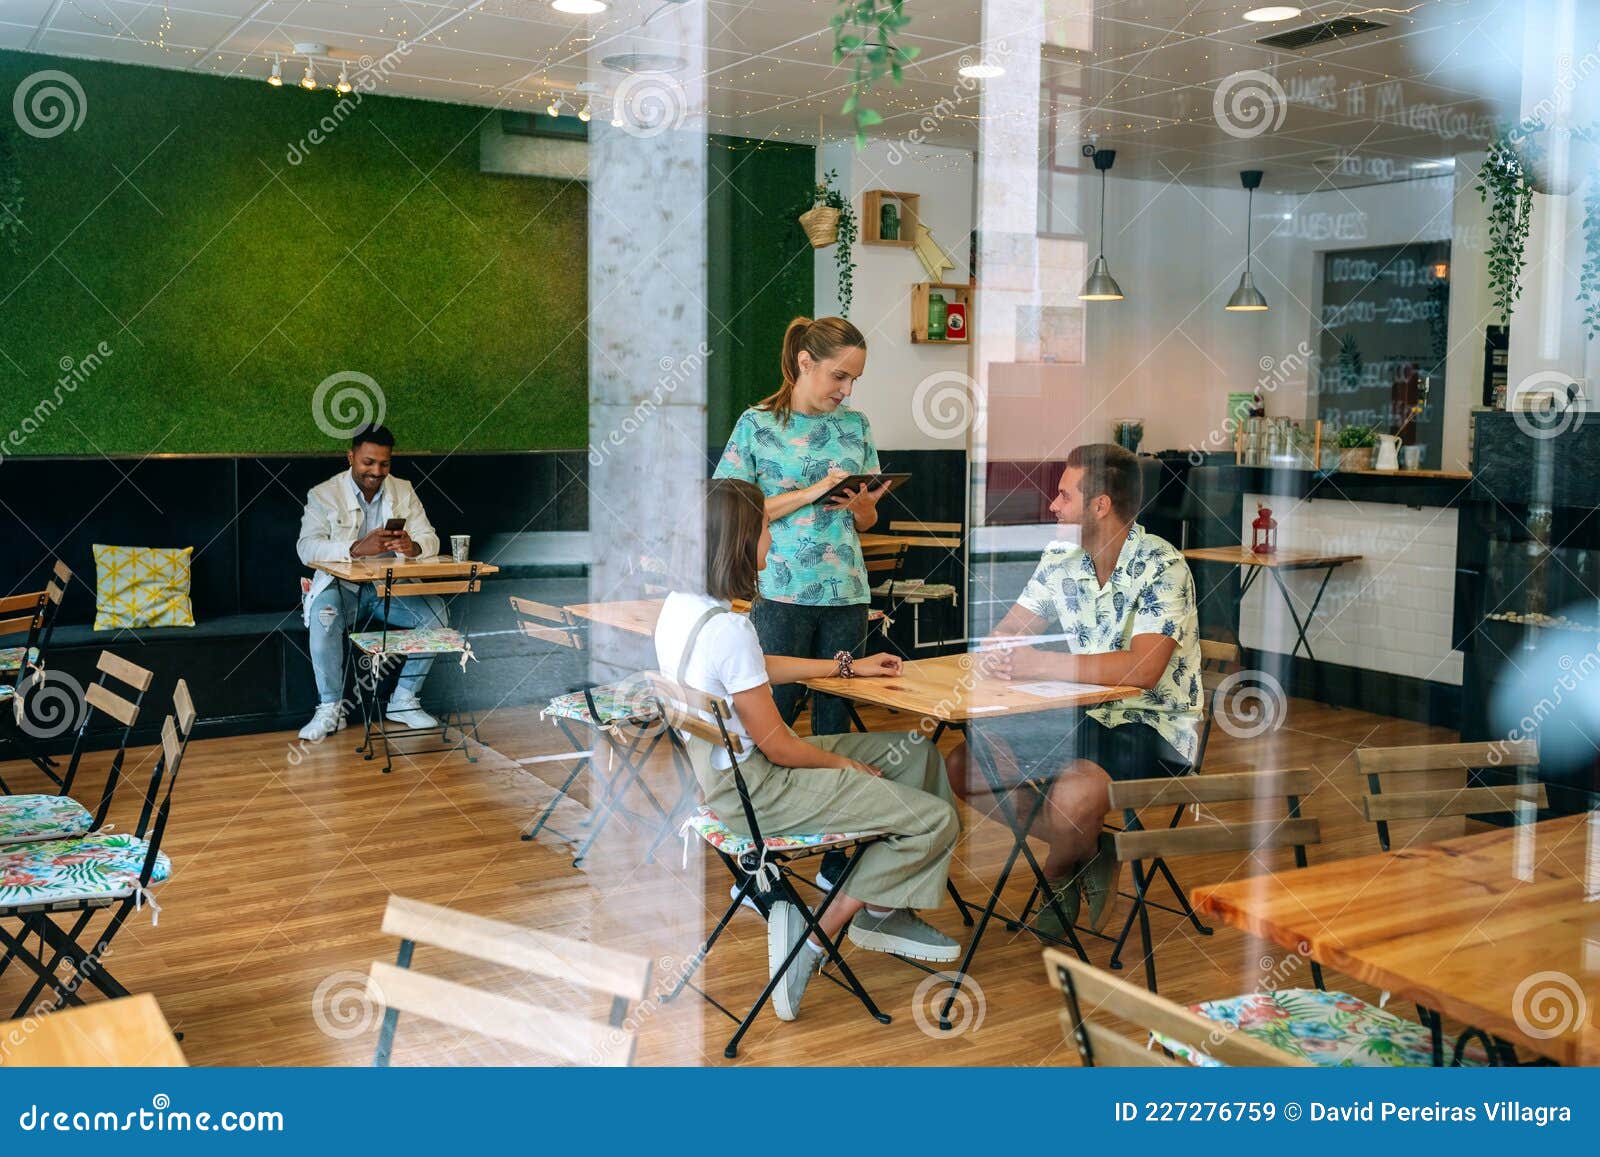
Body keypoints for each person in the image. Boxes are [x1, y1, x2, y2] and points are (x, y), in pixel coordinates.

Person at [655, 478, 961, 1021]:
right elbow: (780, 746)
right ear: (740, 539)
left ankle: (885, 905)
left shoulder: (684, 609)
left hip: (732, 778)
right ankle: (820, 936)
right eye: (767, 528)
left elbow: (755, 668)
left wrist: (848, 665)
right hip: (762, 790)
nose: (771, 539)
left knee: (919, 755)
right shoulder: (728, 627)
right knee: (936, 821)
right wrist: (847, 766)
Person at [948, 443, 1202, 939]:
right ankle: (1090, 849)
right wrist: (1001, 649)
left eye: (1064, 495)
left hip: (1154, 725)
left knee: (1074, 796)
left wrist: (1039, 661)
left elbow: (1144, 670)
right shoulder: (1061, 556)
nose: (1053, 506)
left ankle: (1057, 875)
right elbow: (1009, 629)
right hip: (1081, 714)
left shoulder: (1162, 565)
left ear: (1100, 505)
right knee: (964, 766)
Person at [713, 316, 890, 736]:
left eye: (854, 380)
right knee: (775, 712)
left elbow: (866, 522)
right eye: (840, 376)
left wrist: (863, 507)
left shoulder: (856, 425)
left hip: (847, 591)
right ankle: (768, 797)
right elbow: (733, 511)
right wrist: (813, 491)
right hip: (780, 590)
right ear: (805, 362)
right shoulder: (755, 424)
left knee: (836, 716)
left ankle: (835, 796)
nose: (846, 390)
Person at [296, 425, 446, 741]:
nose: (376, 471)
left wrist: (413, 547)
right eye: (368, 462)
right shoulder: (323, 494)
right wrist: (353, 548)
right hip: (341, 588)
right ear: (351, 457)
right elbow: (306, 548)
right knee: (324, 620)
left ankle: (404, 701)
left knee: (437, 618)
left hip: (387, 589)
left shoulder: (403, 490)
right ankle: (330, 708)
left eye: (384, 464)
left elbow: (429, 537)